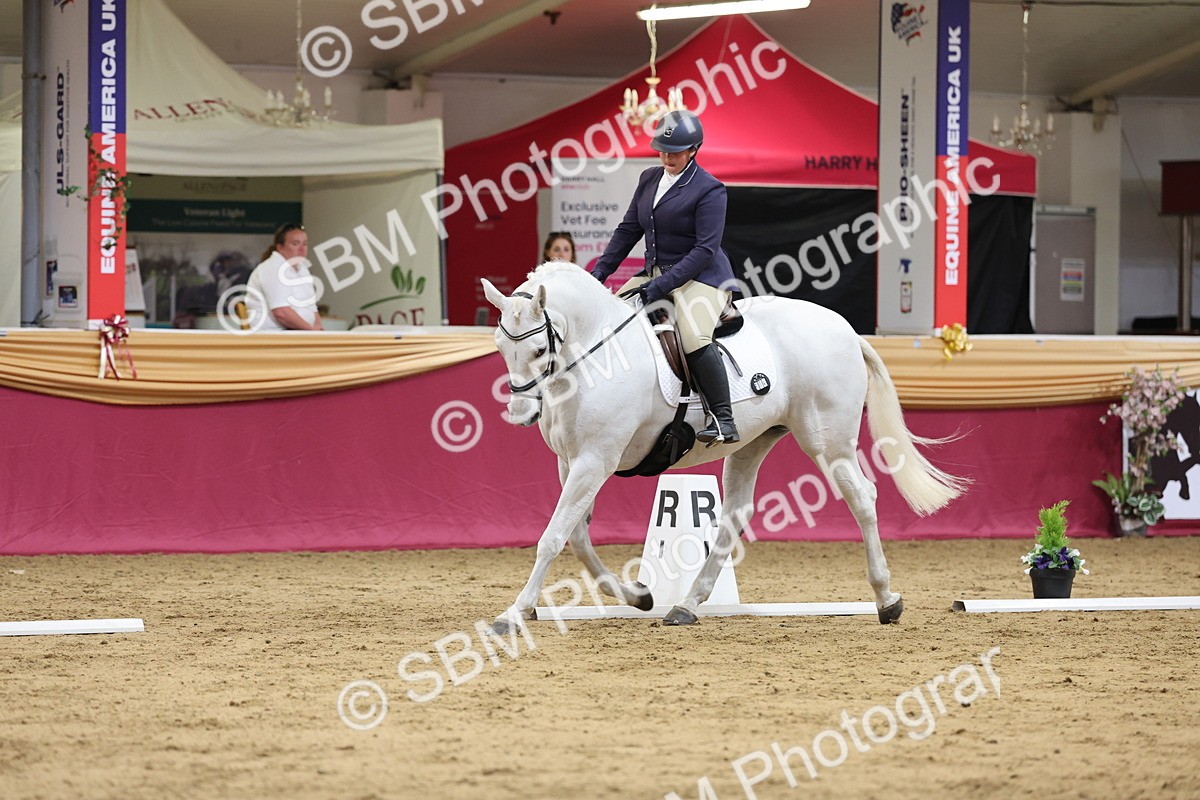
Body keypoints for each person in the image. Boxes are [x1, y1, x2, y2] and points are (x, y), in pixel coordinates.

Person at [589, 110, 739, 444]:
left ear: (693, 150)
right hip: (657, 272)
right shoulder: (648, 179)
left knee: (692, 335)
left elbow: (704, 250)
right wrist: (599, 272)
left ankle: (724, 418)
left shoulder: (711, 189)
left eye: (675, 151)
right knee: (610, 318)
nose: (667, 156)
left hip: (703, 277)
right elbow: (628, 230)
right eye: (663, 149)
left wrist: (660, 285)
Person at [244, 223, 323, 331]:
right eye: (295, 244)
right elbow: (281, 313)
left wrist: (320, 331)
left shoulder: (303, 269)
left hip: (300, 333)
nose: (302, 249)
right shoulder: (272, 267)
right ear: (280, 247)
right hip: (273, 335)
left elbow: (312, 309)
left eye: (305, 244)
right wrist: (310, 330)